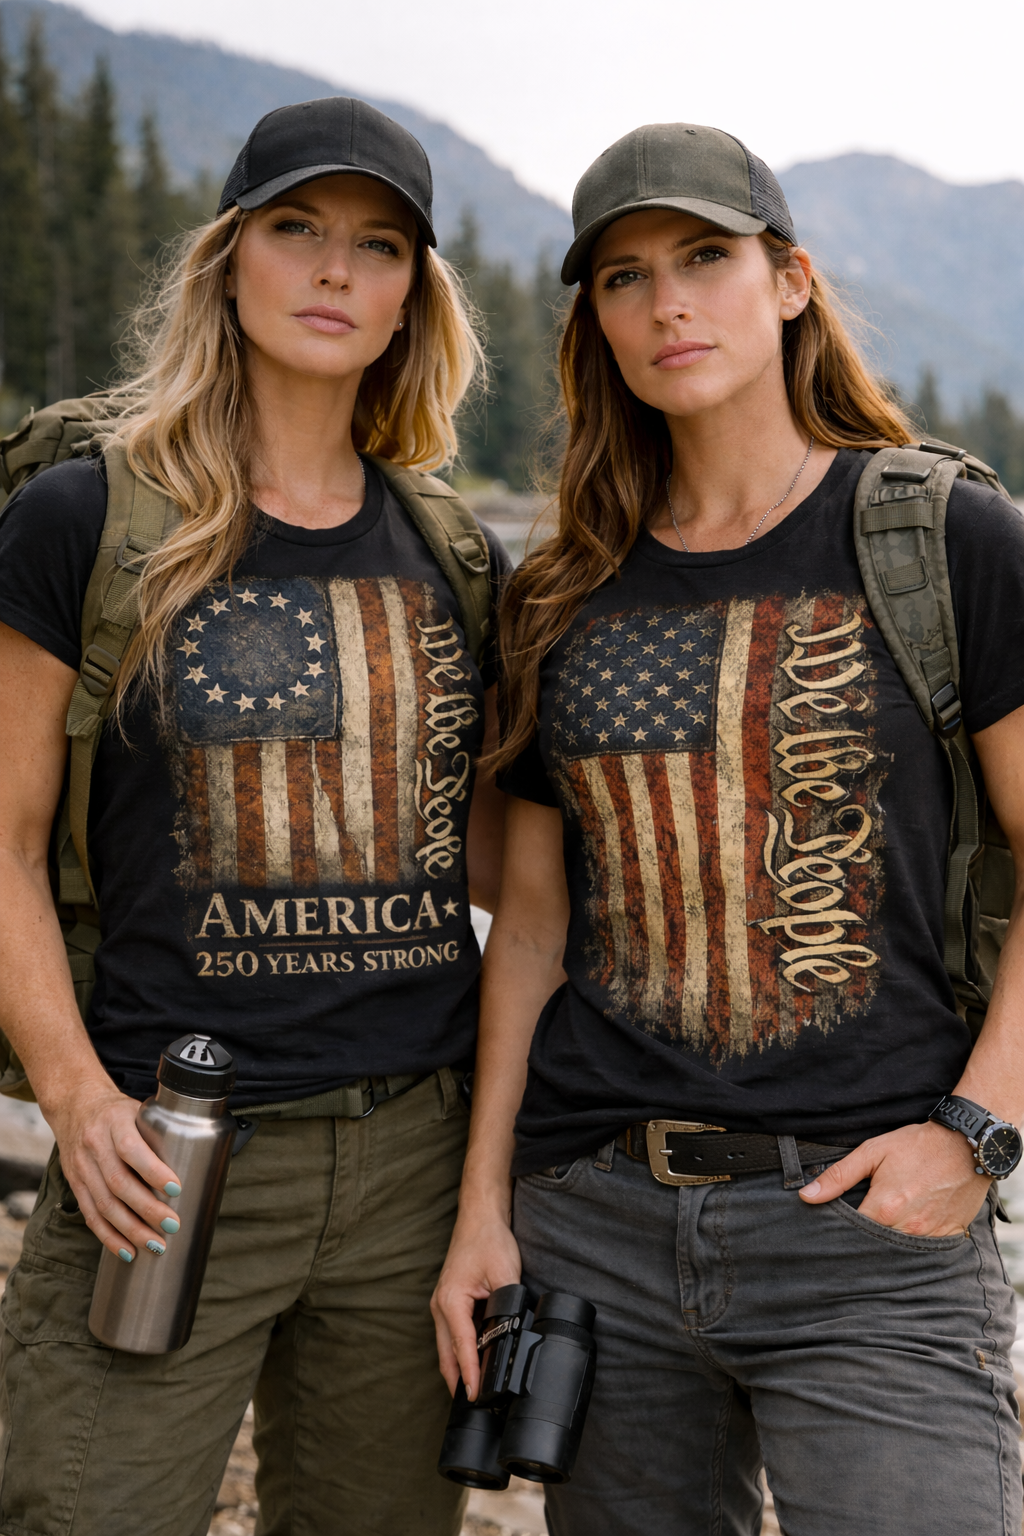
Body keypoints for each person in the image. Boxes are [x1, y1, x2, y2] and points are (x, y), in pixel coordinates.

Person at [432, 122, 1024, 1536]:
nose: (668, 303)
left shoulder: (944, 538)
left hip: (867, 1231)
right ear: (596, 322)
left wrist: (978, 1133)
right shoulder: (562, 590)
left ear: (793, 282)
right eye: (624, 277)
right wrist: (483, 1213)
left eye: (705, 258)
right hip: (597, 1231)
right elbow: (528, 929)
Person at [0, 96, 508, 1535]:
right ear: (231, 258)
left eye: (379, 245)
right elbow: (5, 839)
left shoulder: (449, 550)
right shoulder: (86, 518)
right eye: (298, 230)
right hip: (168, 1154)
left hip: (413, 1154)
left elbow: (487, 862)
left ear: (416, 294)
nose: (337, 271)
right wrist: (78, 1097)